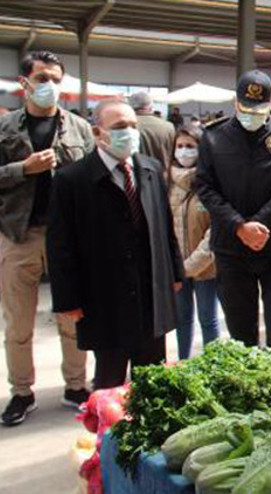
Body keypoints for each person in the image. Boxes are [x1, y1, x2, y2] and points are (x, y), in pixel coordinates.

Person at [47, 99, 184, 390]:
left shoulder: (150, 169)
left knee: (153, 383)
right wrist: (68, 298)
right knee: (109, 382)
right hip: (104, 297)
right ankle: (109, 435)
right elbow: (60, 244)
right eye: (120, 127)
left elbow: (165, 226)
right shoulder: (72, 179)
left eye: (133, 126)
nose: (129, 133)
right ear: (98, 133)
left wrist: (174, 272)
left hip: (150, 294)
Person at [0, 51, 93, 425]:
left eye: (55, 79)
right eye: (41, 79)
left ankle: (75, 385)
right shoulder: (5, 129)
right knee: (19, 322)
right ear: (24, 84)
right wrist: (24, 168)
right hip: (19, 236)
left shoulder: (78, 128)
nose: (49, 86)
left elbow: (91, 180)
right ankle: (21, 392)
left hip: (67, 238)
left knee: (72, 315)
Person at [195, 70, 271, 354]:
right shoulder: (213, 136)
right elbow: (205, 187)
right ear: (236, 103)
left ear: (270, 105)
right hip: (232, 248)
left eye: (259, 109)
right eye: (246, 109)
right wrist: (239, 226)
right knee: (240, 332)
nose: (251, 115)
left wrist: (259, 223)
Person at [168, 125, 220, 359]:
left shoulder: (211, 181)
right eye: (180, 146)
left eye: (190, 146)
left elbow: (216, 228)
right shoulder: (166, 183)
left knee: (208, 319)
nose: (184, 151)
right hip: (176, 268)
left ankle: (212, 364)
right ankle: (183, 361)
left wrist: (193, 263)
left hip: (206, 267)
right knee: (182, 319)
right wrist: (176, 265)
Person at [128, 91, 175, 172]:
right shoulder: (168, 126)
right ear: (150, 106)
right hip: (162, 176)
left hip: (135, 177)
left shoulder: (125, 126)